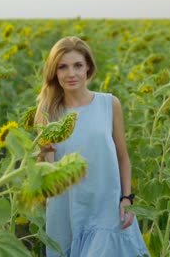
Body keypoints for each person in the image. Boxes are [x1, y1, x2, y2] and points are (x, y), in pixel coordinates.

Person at [35, 36, 149, 257]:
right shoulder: (48, 112)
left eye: (77, 65)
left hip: (105, 206)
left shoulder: (109, 104)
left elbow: (122, 157)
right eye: (63, 67)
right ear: (54, 73)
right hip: (65, 209)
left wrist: (127, 198)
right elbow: (48, 169)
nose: (71, 74)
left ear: (88, 67)